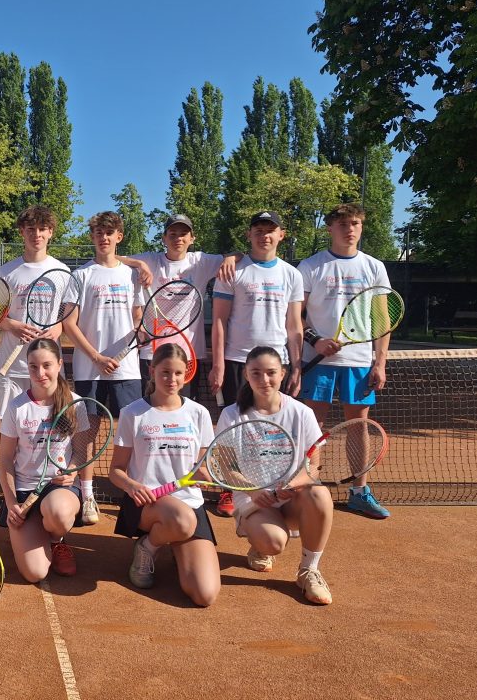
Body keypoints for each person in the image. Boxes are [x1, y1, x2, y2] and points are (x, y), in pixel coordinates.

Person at [218, 346, 333, 605]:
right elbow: (227, 468)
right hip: (253, 498)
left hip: (292, 497)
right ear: (246, 375)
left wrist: (292, 485)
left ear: (282, 373)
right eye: (256, 373)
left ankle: (309, 571)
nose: (264, 380)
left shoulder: (302, 413)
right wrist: (254, 490)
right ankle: (258, 542)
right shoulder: (231, 414)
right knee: (273, 543)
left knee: (320, 494)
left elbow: (313, 467)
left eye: (271, 372)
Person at [298, 203, 392, 519]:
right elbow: (295, 315)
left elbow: (382, 319)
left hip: (359, 361)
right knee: (313, 427)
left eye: (355, 223)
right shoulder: (311, 266)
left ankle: (359, 492)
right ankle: (307, 490)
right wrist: (315, 340)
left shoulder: (374, 267)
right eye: (342, 224)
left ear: (361, 227)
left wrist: (379, 362)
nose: (349, 229)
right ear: (330, 228)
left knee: (359, 426)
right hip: (318, 361)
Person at [109, 343, 220, 605]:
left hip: (188, 504)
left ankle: (171, 540)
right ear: (152, 371)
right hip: (147, 504)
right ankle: (147, 547)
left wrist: (207, 476)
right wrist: (132, 486)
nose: (172, 379)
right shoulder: (133, 413)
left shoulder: (199, 414)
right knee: (182, 521)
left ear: (186, 374)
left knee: (204, 594)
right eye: (165, 372)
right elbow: (115, 471)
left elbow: (201, 466)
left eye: (178, 373)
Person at [209, 210, 303, 518]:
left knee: (270, 424)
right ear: (249, 235)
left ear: (281, 235)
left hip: (277, 363)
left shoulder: (292, 274)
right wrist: (219, 364)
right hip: (237, 360)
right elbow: (219, 320)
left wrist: (297, 365)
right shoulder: (232, 270)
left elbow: (294, 325)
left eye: (270, 230)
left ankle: (271, 484)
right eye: (258, 230)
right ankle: (229, 486)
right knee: (233, 427)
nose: (264, 235)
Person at [61, 210, 144, 525]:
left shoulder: (132, 275)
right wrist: (96, 357)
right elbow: (69, 324)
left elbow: (137, 318)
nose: (103, 238)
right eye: (98, 233)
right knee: (87, 433)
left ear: (118, 237)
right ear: (92, 237)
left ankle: (135, 496)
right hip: (90, 369)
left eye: (109, 233)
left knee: (134, 433)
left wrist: (135, 338)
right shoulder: (80, 276)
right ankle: (87, 496)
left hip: (127, 369)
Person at [119, 213, 237, 394]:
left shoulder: (201, 261)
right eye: (172, 234)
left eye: (183, 234)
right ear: (164, 238)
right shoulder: (151, 260)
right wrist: (140, 264)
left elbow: (240, 255)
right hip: (152, 353)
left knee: (185, 407)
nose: (178, 238)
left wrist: (230, 258)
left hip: (188, 354)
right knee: (151, 406)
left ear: (192, 238)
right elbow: (113, 258)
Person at [0, 339, 83, 580]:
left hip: (59, 490)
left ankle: (56, 540)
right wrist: (12, 503)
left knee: (58, 512)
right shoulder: (16, 407)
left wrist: (72, 470)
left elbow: (81, 452)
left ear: (59, 364)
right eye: (33, 366)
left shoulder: (76, 404)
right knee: (34, 573)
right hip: (25, 490)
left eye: (47, 365)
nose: (40, 373)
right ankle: (33, 532)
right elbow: (5, 459)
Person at [0, 205, 70, 421]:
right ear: (22, 232)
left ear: (50, 232)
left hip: (49, 367)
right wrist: (11, 326)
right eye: (30, 229)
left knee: (52, 425)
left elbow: (68, 314)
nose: (36, 234)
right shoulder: (6, 272)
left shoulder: (63, 271)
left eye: (42, 229)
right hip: (13, 366)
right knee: (8, 427)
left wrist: (58, 326)